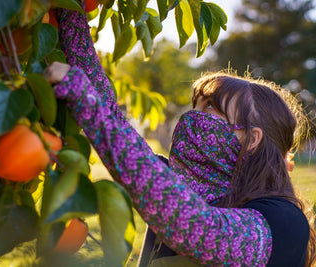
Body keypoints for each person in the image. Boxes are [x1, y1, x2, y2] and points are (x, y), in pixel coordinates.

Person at [43, 6, 316, 267]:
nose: (191, 117)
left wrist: (84, 98)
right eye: (195, 106)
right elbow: (112, 120)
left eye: (210, 107)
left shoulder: (283, 221)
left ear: (252, 139)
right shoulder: (177, 187)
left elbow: (197, 228)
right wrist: (72, 12)